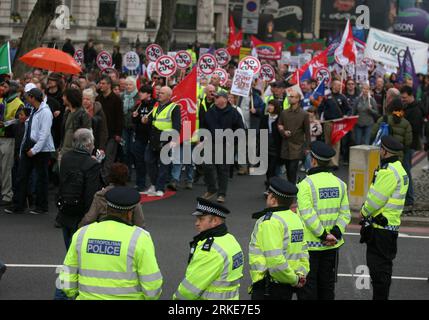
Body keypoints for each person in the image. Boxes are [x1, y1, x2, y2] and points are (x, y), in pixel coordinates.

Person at [58, 186, 163, 300]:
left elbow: (66, 277)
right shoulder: (140, 238)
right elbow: (152, 287)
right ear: (130, 213)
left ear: (107, 208)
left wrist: (73, 295)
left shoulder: (82, 234)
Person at [296, 141, 351, 300]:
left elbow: (307, 215)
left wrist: (322, 235)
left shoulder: (305, 185)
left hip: (311, 247)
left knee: (308, 289)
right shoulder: (340, 184)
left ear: (313, 160)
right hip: (332, 246)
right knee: (327, 287)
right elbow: (345, 213)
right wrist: (335, 233)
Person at [360, 136, 408, 300]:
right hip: (390, 227)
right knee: (384, 268)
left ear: (385, 152)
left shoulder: (388, 172)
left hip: (380, 229)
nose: (379, 151)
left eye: (381, 149)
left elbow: (375, 199)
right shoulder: (399, 169)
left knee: (378, 270)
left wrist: (364, 211)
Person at [249, 177, 309, 300]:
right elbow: (303, 251)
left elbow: (275, 260)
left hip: (269, 287)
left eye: (268, 195)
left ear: (272, 199)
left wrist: (293, 279)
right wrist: (300, 274)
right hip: (287, 284)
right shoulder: (295, 218)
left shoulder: (270, 222)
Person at [173, 198, 243, 300]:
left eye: (201, 219)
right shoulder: (230, 239)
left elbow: (189, 291)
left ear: (215, 221)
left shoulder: (210, 251)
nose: (196, 223)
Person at [5, 88, 55, 214]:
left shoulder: (45, 112)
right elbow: (27, 125)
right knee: (21, 176)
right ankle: (18, 205)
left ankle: (41, 206)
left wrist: (34, 150)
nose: (26, 99)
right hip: (29, 146)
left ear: (33, 97)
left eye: (28, 97)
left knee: (40, 178)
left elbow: (44, 134)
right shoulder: (33, 110)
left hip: (41, 150)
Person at [57, 128, 103, 249]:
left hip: (65, 208)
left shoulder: (65, 158)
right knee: (79, 250)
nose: (93, 146)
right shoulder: (92, 164)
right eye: (93, 142)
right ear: (88, 144)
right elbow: (91, 193)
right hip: (80, 213)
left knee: (69, 249)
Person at [201, 91, 245, 203]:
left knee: (223, 169)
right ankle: (212, 189)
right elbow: (204, 125)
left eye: (218, 97)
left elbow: (240, 129)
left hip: (226, 144)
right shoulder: (210, 111)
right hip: (211, 142)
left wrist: (232, 141)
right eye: (215, 98)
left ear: (225, 99)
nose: (216, 99)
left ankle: (221, 194)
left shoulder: (234, 113)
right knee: (207, 165)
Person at [79, 163, 145, 228]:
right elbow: (139, 222)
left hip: (104, 230)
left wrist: (79, 229)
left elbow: (89, 219)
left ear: (110, 176)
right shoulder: (132, 197)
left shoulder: (100, 195)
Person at [144, 86, 181, 197]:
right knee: (148, 160)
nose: (159, 94)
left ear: (169, 96)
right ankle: (155, 184)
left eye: (162, 93)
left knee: (164, 164)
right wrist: (146, 120)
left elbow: (176, 125)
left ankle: (160, 188)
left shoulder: (174, 108)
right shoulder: (156, 106)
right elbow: (154, 120)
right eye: (159, 92)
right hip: (154, 137)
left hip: (166, 138)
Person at [400, 86, 427, 209]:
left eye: (404, 97)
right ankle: (407, 197)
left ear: (411, 96)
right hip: (406, 144)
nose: (403, 99)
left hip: (409, 144)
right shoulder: (408, 107)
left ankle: (409, 198)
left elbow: (414, 129)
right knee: (405, 170)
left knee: (406, 171)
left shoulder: (415, 110)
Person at [277, 89, 311, 184]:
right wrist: (283, 131)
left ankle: (292, 189)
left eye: (292, 97)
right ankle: (292, 186)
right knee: (288, 169)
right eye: (289, 96)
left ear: (298, 99)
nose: (289, 98)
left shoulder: (304, 114)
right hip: (285, 144)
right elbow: (279, 125)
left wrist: (307, 147)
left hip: (297, 145)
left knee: (292, 168)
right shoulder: (284, 112)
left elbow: (307, 132)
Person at [0, 80, 24, 207]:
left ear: (12, 88)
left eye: (5, 86)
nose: (2, 88)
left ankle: (7, 195)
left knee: (6, 168)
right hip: (0, 137)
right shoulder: (1, 100)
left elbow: (20, 121)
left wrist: (5, 123)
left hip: (9, 139)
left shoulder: (18, 103)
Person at [96, 76, 124, 182]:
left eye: (103, 83)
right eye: (100, 83)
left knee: (109, 158)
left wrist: (118, 134)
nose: (101, 85)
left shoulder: (116, 99)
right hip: (99, 133)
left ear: (109, 85)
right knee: (99, 157)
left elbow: (119, 118)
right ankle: (99, 180)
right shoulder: (98, 99)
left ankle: (105, 181)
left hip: (112, 134)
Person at [318, 80, 351, 169]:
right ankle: (327, 161)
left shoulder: (342, 97)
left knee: (336, 142)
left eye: (339, 85)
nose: (337, 87)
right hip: (328, 122)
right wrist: (319, 118)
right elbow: (320, 108)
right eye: (336, 85)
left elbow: (348, 109)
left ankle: (334, 163)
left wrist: (346, 115)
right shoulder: (326, 97)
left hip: (338, 123)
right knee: (328, 142)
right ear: (332, 86)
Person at [132, 86, 155, 193]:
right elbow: (135, 121)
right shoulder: (139, 104)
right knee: (139, 161)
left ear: (149, 94)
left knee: (149, 161)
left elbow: (155, 119)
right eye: (140, 92)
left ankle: (154, 184)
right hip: (139, 137)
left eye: (143, 92)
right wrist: (134, 116)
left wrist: (148, 120)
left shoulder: (155, 104)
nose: (140, 94)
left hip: (150, 137)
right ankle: (140, 184)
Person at [59, 88, 92, 160]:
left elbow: (86, 136)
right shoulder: (67, 113)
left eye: (64, 96)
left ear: (70, 98)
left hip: (75, 155)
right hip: (64, 153)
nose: (62, 98)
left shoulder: (83, 115)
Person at [260, 100, 282, 192]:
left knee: (273, 168)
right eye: (268, 105)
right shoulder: (265, 118)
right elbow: (260, 131)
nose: (269, 107)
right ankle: (269, 187)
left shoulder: (280, 118)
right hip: (266, 144)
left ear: (276, 107)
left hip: (276, 146)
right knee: (268, 168)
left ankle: (272, 188)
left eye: (271, 105)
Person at [120, 77, 139, 177]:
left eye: (130, 84)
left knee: (132, 150)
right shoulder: (122, 96)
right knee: (125, 150)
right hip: (124, 127)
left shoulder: (138, 96)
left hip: (134, 127)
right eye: (126, 84)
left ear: (134, 85)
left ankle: (133, 171)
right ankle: (127, 173)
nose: (128, 86)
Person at [82, 89, 108, 154]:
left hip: (95, 143)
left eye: (88, 99)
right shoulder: (79, 111)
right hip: (82, 143)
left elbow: (103, 130)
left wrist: (102, 147)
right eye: (83, 99)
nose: (85, 101)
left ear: (93, 100)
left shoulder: (98, 111)